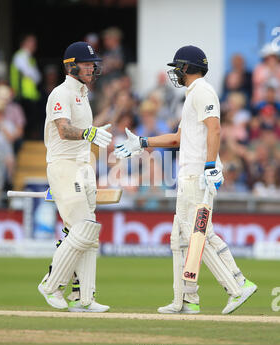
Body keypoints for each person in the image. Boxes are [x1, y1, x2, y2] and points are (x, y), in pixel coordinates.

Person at [114, 45, 257, 314]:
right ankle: (186, 300)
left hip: (198, 174)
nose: (175, 72)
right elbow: (178, 139)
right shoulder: (192, 95)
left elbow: (215, 128)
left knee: (196, 235)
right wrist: (142, 142)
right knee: (180, 238)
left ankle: (237, 287)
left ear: (188, 68)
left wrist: (210, 166)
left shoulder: (202, 91)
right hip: (189, 174)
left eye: (178, 67)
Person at [38, 41, 113, 313]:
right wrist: (89, 133)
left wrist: (92, 133)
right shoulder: (61, 93)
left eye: (93, 64)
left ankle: (84, 298)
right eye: (87, 63)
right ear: (71, 66)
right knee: (83, 228)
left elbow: (79, 133)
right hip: (64, 166)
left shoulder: (83, 94)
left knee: (87, 232)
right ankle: (50, 284)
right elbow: (63, 130)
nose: (92, 67)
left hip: (83, 165)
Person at [10, 34, 43, 139]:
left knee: (31, 122)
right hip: (21, 96)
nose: (34, 44)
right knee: (24, 123)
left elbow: (37, 77)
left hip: (30, 96)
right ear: (24, 43)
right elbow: (32, 75)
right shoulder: (20, 56)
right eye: (31, 41)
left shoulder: (29, 58)